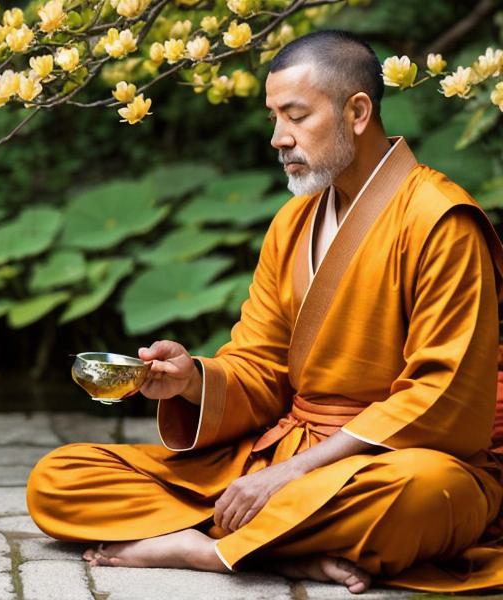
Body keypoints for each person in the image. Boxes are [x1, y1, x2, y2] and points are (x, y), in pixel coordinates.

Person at [27, 30, 503, 594]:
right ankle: (281, 550)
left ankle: (208, 549)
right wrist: (192, 382)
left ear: (356, 111)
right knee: (58, 479)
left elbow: (442, 395)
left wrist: (295, 473)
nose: (279, 138)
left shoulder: (441, 221)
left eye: (296, 116)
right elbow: (260, 366)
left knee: (426, 495)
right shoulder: (292, 223)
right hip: (283, 460)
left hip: (389, 463)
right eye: (274, 117)